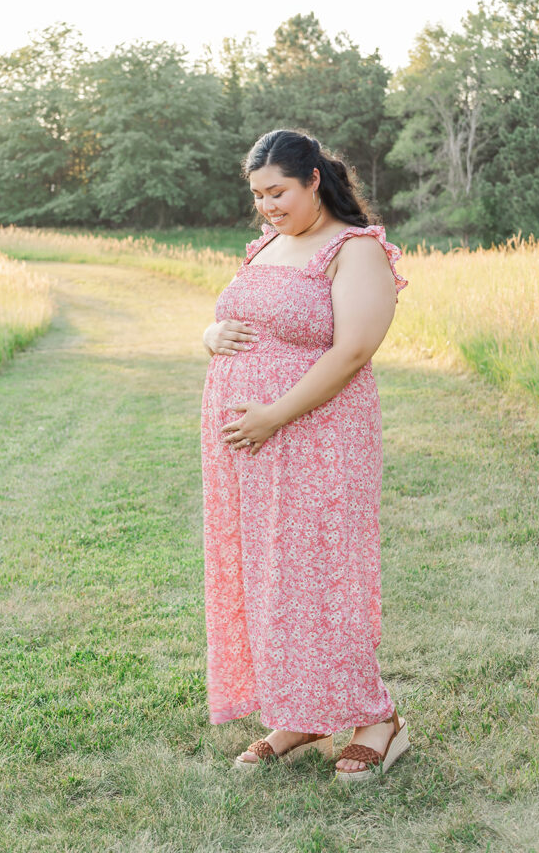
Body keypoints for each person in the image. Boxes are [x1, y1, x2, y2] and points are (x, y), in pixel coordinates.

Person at [200, 128, 411, 783]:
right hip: (252, 449)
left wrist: (272, 415)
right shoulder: (268, 245)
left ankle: (378, 720)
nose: (266, 205)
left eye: (278, 191)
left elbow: (352, 350)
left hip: (316, 438)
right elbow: (241, 318)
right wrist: (210, 333)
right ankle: (302, 712)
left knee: (323, 576)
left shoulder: (354, 250)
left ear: (314, 179)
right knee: (270, 578)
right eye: (258, 194)